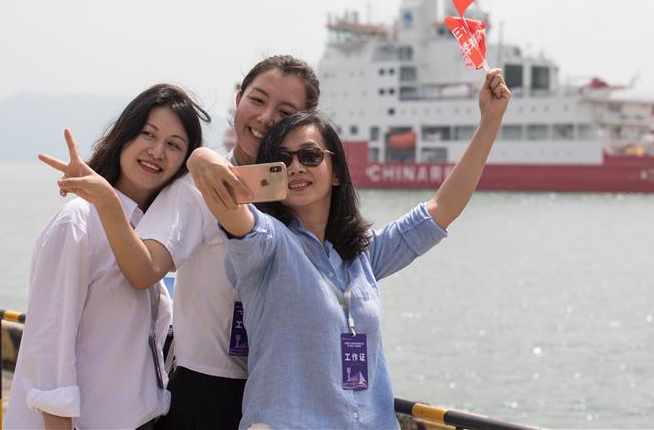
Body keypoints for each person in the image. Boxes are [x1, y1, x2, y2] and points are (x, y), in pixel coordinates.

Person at [190, 69, 510, 429]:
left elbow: (441, 209)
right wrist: (201, 157)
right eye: (283, 160)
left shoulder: (362, 254)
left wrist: (490, 122)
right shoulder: (269, 244)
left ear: (337, 172)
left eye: (310, 156)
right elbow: (229, 210)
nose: (296, 166)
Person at [75, 55, 320, 429]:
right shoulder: (194, 189)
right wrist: (108, 202)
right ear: (238, 100)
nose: (265, 117)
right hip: (207, 390)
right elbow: (144, 269)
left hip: (285, 394)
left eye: (285, 110)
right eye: (257, 100)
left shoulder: (305, 197)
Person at [5, 84, 210, 430]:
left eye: (174, 145)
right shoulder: (78, 222)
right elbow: (50, 353)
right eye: (148, 134)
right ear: (124, 136)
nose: (157, 151)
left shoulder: (152, 235)